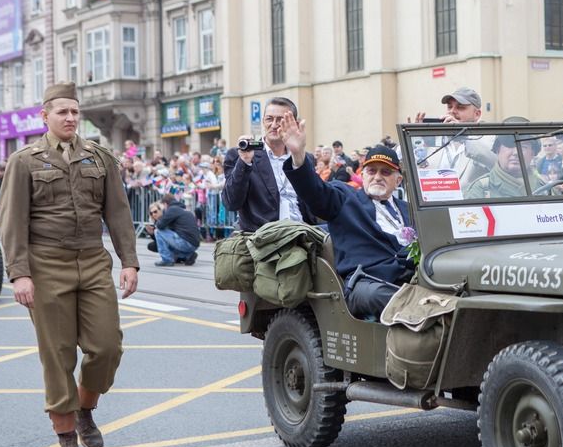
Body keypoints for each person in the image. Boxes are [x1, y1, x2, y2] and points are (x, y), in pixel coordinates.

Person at [0, 81, 139, 447]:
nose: (71, 118)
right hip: (45, 265)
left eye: (75, 111)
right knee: (57, 355)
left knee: (107, 347)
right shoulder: (24, 160)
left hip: (93, 261)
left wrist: (130, 261)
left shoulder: (99, 156)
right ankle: (65, 440)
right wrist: (19, 274)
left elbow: (118, 213)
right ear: (45, 117)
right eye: (62, 112)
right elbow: (11, 221)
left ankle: (85, 409)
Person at [280, 113, 415, 320]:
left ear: (398, 180)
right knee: (391, 297)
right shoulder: (346, 199)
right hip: (366, 282)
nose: (377, 177)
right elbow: (316, 194)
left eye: (385, 173)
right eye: (371, 171)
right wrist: (298, 156)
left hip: (411, 278)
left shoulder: (408, 210)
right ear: (363, 175)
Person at [221, 97, 316, 231]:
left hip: (304, 231)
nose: (274, 124)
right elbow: (231, 203)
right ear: (263, 121)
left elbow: (317, 201)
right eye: (269, 119)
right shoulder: (241, 155)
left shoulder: (305, 158)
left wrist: (298, 155)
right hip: (265, 236)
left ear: (293, 123)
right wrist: (245, 162)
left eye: (280, 120)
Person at [465, 136, 541, 198]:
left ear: (532, 153)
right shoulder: (481, 189)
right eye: (509, 146)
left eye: (523, 147)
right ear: (497, 150)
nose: (516, 153)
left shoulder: (545, 187)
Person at [150, 194, 200, 266]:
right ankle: (188, 255)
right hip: (193, 244)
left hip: (186, 242)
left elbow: (160, 226)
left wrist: (160, 216)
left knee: (157, 231)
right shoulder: (182, 209)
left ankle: (166, 259)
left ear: (165, 204)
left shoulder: (172, 209)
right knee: (168, 242)